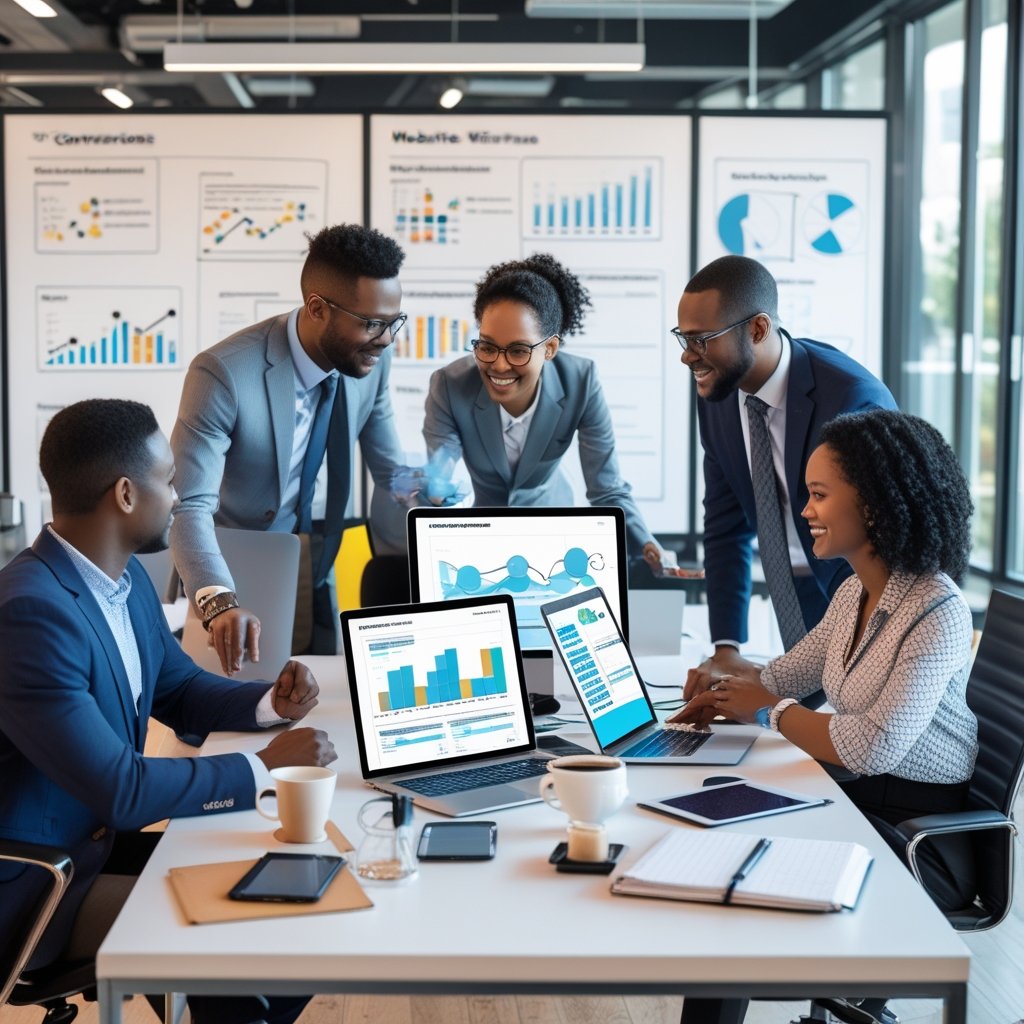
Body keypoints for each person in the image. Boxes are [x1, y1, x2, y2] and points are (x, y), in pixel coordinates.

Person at [0, 399, 336, 1024]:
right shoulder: (31, 612)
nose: (181, 495)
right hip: (39, 889)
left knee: (295, 909)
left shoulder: (120, 582)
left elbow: (178, 689)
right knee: (250, 961)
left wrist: (269, 704)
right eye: (168, 479)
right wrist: (265, 767)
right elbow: (122, 789)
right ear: (126, 494)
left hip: (93, 847)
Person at [676, 409, 978, 1024]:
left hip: (921, 837)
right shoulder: (853, 592)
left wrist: (767, 711)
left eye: (818, 495)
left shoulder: (937, 609)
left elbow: (870, 747)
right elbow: (782, 678)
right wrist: (723, 686)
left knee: (738, 882)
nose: (805, 511)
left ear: (873, 503)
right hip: (866, 803)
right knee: (726, 841)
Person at [171, 224, 410, 672]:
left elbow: (390, 467)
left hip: (320, 554)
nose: (386, 338)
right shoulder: (222, 373)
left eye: (393, 321)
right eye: (372, 324)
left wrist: (426, 489)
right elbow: (188, 506)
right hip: (238, 565)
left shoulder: (372, 360)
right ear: (317, 308)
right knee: (240, 707)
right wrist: (218, 599)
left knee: (322, 697)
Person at [677, 255, 897, 692]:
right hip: (788, 588)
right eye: (683, 339)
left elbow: (883, 544)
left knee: (843, 713)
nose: (688, 357)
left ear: (757, 329)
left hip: (856, 589)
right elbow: (725, 525)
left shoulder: (852, 401)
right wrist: (727, 648)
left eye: (702, 340)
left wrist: (777, 684)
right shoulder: (717, 392)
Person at [423, 252, 670, 570]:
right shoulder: (450, 385)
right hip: (481, 538)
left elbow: (606, 489)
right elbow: (439, 476)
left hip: (554, 536)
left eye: (518, 350)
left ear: (550, 349)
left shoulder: (581, 382)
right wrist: (434, 493)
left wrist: (647, 543)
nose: (499, 364)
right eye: (486, 346)